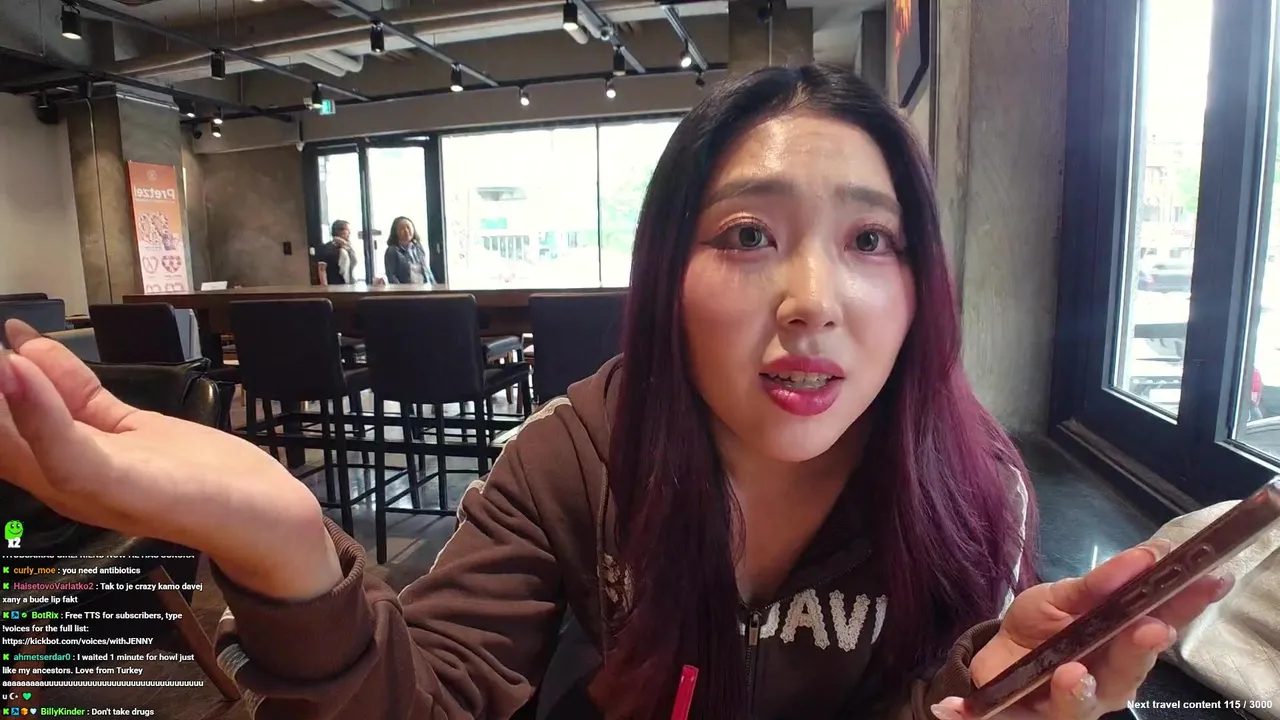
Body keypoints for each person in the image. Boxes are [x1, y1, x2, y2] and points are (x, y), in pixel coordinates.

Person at [0, 65, 1231, 720]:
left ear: (923, 290)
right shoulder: (572, 455)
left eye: (871, 241)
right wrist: (283, 548)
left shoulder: (975, 488)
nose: (812, 299)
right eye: (746, 236)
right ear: (663, 279)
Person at [384, 216, 435, 284]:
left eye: (408, 227)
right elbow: (391, 276)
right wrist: (401, 289)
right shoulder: (392, 251)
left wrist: (434, 285)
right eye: (402, 229)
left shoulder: (418, 247)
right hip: (405, 289)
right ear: (395, 232)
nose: (406, 231)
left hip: (423, 287)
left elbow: (427, 270)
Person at [317, 220, 358, 285]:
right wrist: (324, 287)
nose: (349, 233)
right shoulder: (327, 248)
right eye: (347, 230)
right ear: (339, 231)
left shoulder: (349, 248)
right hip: (334, 285)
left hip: (349, 285)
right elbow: (322, 269)